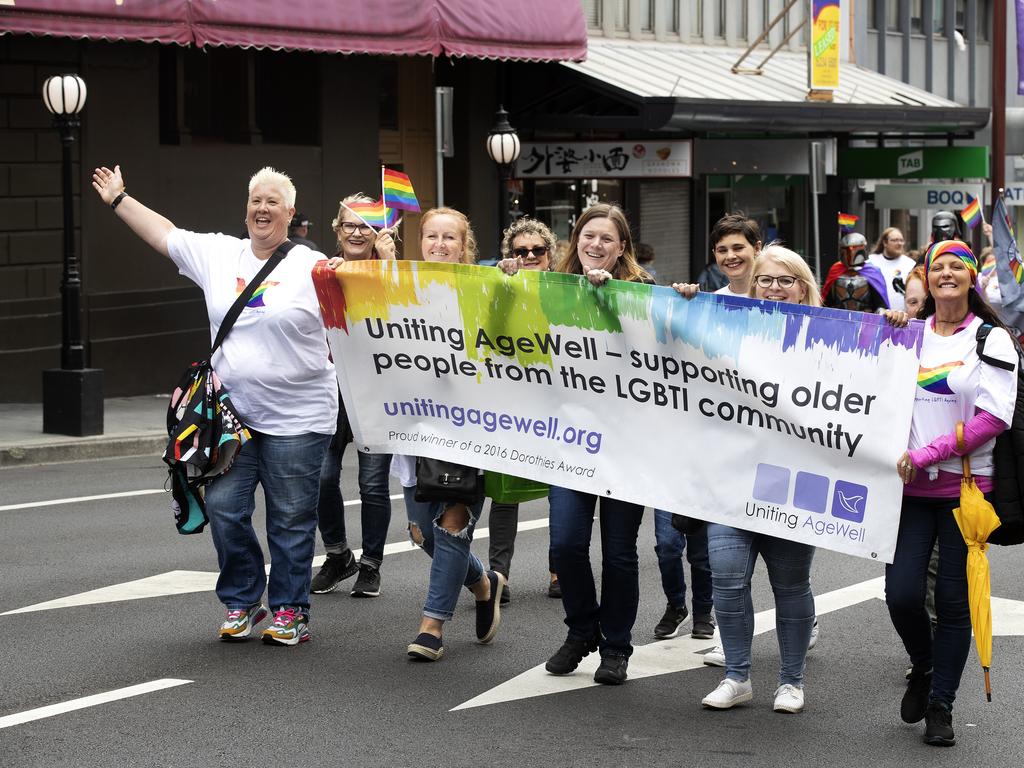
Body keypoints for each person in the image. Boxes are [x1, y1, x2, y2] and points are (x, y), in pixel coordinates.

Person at [91, 164, 337, 646]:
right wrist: (120, 199)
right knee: (225, 509)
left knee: (290, 517)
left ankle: (290, 609)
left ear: (290, 212)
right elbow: (165, 235)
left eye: (272, 202)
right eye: (255, 201)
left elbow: (373, 295)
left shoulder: (314, 267)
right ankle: (244, 601)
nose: (262, 209)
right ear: (246, 209)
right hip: (230, 421)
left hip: (300, 418)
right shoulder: (220, 254)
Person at [885, 239, 1017, 747]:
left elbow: (994, 419)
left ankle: (942, 704)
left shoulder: (992, 339)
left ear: (970, 278)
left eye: (955, 267)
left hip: (967, 490)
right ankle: (923, 665)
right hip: (909, 492)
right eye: (935, 267)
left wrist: (924, 454)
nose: (944, 274)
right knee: (901, 596)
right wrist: (886, 329)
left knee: (953, 601)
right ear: (926, 276)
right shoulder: (909, 336)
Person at [700, 244, 820, 714]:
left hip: (793, 483)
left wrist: (893, 326)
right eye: (766, 280)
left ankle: (791, 681)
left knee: (791, 585)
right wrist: (688, 300)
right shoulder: (726, 330)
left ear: (803, 287)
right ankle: (737, 676)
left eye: (785, 280)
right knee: (727, 582)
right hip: (731, 479)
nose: (774, 288)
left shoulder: (832, 336)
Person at [544, 203, 651, 686]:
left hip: (627, 448)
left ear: (621, 248)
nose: (596, 245)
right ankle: (582, 629)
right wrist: (506, 280)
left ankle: (616, 646)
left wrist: (614, 300)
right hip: (570, 441)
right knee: (565, 545)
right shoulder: (552, 289)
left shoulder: (643, 293)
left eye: (607, 239)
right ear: (576, 241)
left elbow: (658, 352)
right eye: (589, 236)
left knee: (619, 552)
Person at [404, 207, 504, 662]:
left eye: (449, 237)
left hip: (468, 431)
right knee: (423, 534)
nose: (439, 244)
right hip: (412, 431)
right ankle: (484, 583)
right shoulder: (397, 288)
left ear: (465, 247)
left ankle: (432, 626)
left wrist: (510, 281)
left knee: (451, 527)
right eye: (431, 236)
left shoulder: (481, 289)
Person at [309, 194, 398, 598]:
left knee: (373, 484)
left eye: (366, 225)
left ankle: (372, 564)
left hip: (376, 393)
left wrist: (388, 262)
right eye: (350, 225)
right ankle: (338, 554)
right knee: (323, 477)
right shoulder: (321, 270)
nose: (358, 232)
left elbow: (409, 318)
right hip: (329, 389)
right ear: (337, 230)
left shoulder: (392, 270)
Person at [492, 217, 561, 604]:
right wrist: (503, 286)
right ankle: (499, 574)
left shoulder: (568, 288)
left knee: (561, 490)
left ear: (550, 256)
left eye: (538, 250)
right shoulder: (501, 286)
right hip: (512, 405)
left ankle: (559, 571)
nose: (530, 256)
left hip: (558, 405)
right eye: (521, 251)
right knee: (505, 492)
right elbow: (487, 328)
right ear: (509, 256)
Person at [673, 213, 762, 299]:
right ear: (715, 254)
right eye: (722, 250)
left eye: (738, 248)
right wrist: (694, 301)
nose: (730, 256)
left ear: (757, 248)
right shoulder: (712, 302)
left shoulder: (772, 297)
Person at [822, 232, 889, 313]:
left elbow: (880, 303)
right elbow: (827, 301)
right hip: (839, 319)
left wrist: (881, 311)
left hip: (865, 319)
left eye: (854, 248)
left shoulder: (872, 272)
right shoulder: (836, 269)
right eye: (846, 250)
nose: (850, 253)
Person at [869, 227, 916, 311]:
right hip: (876, 315)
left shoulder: (910, 264)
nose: (899, 243)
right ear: (885, 242)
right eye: (895, 240)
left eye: (901, 240)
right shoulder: (872, 261)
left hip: (902, 317)